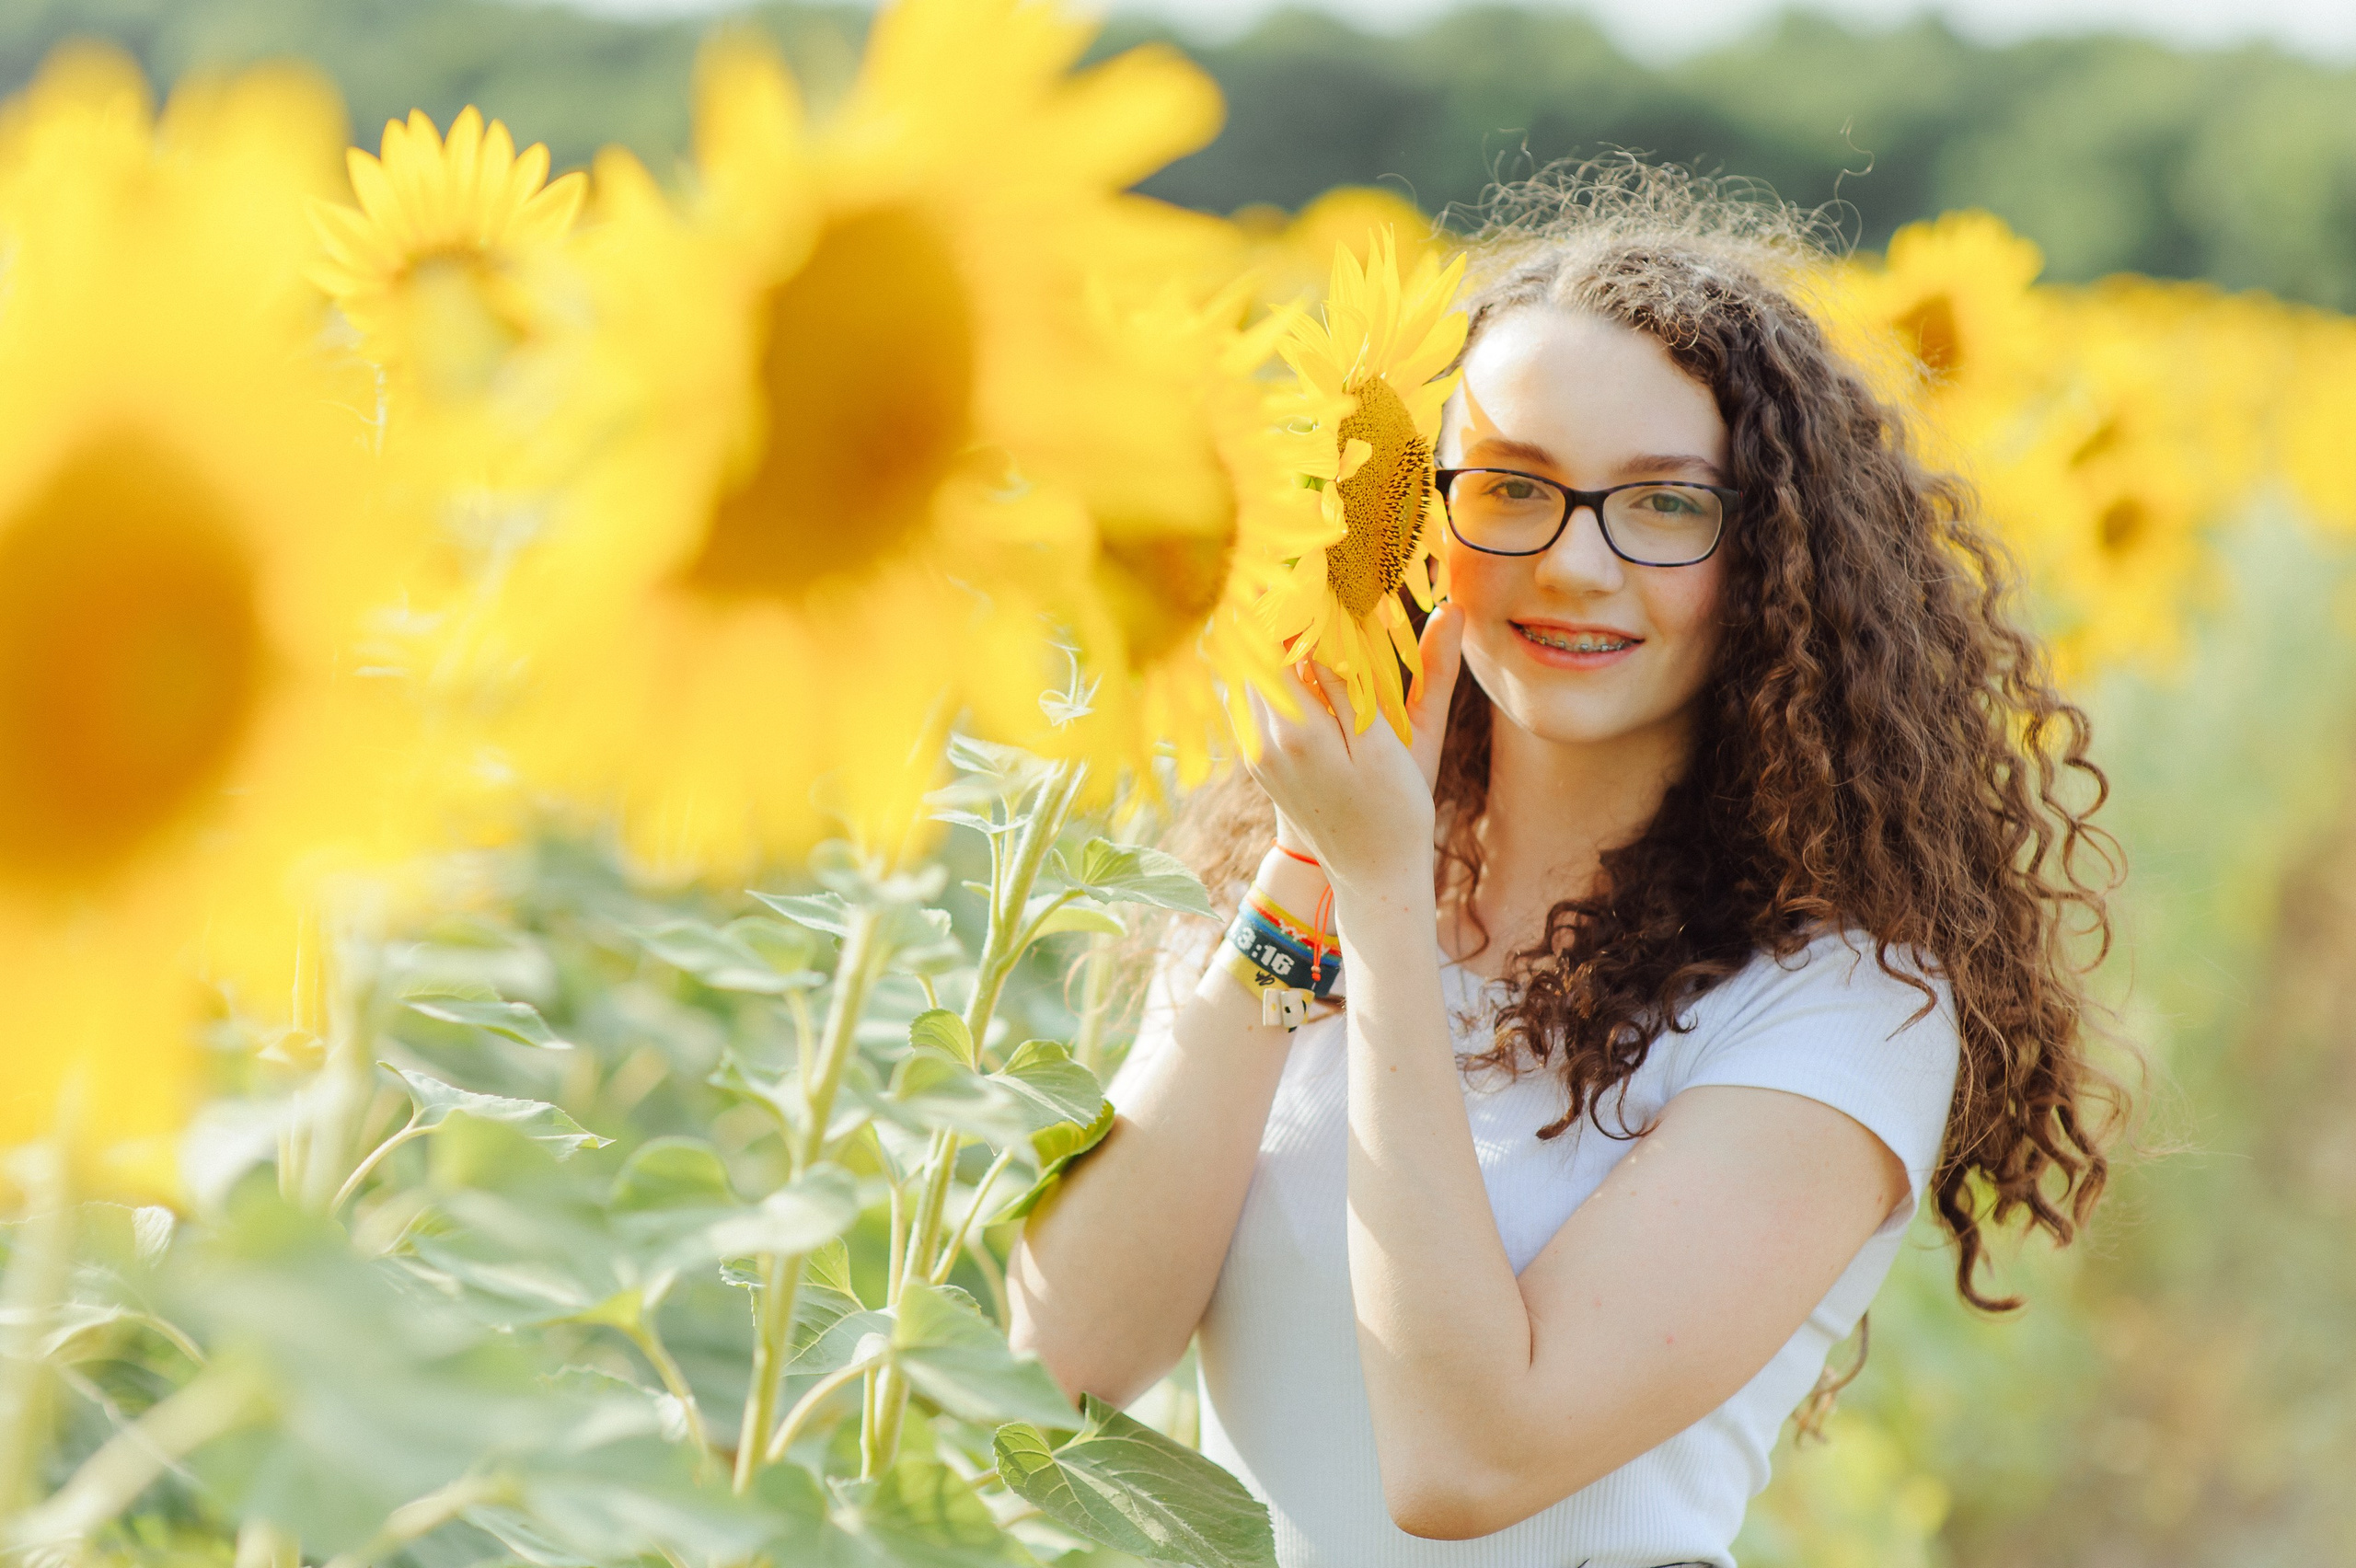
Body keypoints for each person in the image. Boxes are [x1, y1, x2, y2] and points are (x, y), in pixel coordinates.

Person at [1008, 169, 2124, 1568]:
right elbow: (1060, 1362)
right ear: (1410, 516)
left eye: (1664, 504)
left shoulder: (1838, 1009)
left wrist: (1378, 894)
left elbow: (1466, 1462)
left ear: (1775, 554)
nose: (1575, 567)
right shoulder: (1299, 882)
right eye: (1511, 488)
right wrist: (1313, 866)